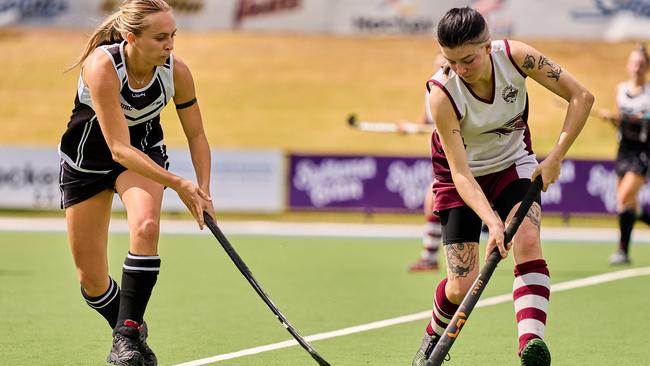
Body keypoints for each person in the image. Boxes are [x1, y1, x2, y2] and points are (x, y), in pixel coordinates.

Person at [411, 7, 593, 366]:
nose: (460, 70)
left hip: (513, 163)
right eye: (451, 61)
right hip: (459, 176)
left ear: (487, 45)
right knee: (461, 285)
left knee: (526, 239)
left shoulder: (515, 56)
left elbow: (581, 97)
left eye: (468, 59)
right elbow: (461, 173)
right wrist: (492, 223)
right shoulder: (441, 93)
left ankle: (530, 344)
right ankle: (433, 335)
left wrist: (556, 156)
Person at [58, 1, 215, 364]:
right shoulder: (103, 66)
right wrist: (179, 183)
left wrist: (202, 190)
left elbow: (197, 136)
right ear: (132, 38)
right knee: (92, 281)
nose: (170, 45)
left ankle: (126, 335)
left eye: (173, 35)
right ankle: (130, 331)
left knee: (146, 226)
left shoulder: (177, 72)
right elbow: (117, 148)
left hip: (143, 158)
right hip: (88, 162)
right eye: (161, 37)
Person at [599, 44, 650, 265]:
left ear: (647, 67)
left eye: (641, 64)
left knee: (623, 199)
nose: (637, 68)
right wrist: (612, 119)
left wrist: (634, 119)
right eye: (634, 63)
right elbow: (620, 124)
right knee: (629, 206)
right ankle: (624, 251)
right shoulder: (620, 90)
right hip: (623, 151)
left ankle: (621, 250)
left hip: (642, 151)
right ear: (628, 66)